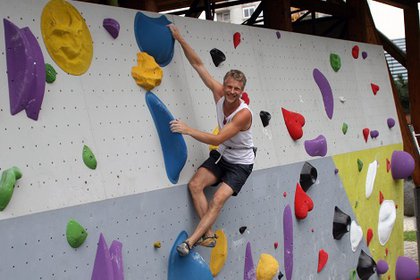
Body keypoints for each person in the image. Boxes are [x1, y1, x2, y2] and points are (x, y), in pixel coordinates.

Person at [168, 24, 255, 256]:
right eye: (229, 86)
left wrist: (187, 130)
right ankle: (209, 236)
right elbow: (198, 65)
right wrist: (180, 38)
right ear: (224, 85)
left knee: (217, 199)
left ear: (242, 91)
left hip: (240, 164)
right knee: (195, 185)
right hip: (223, 155)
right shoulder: (218, 92)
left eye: (237, 89)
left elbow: (217, 137)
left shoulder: (243, 114)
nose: (232, 91)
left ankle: (190, 242)